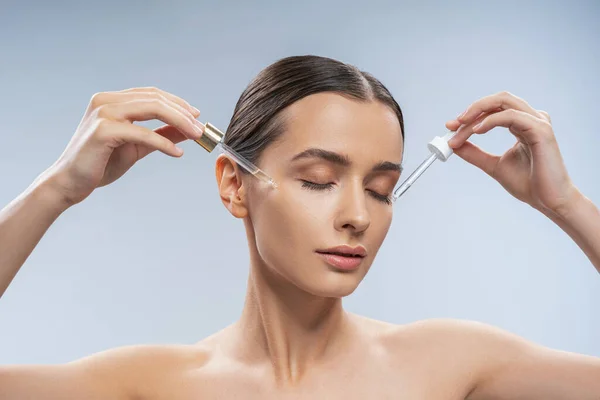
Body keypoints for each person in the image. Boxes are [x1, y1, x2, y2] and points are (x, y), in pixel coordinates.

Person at [0, 55, 599, 399]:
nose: (358, 216)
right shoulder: (148, 385)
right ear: (234, 185)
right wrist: (56, 188)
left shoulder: (451, 364)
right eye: (318, 180)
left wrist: (565, 203)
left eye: (381, 190)